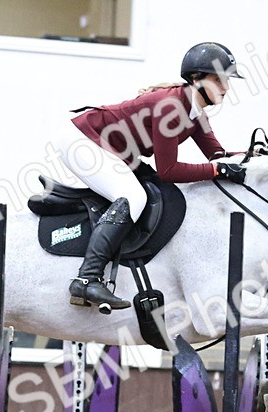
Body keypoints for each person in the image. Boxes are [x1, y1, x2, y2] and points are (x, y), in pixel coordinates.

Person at [53, 42, 249, 312]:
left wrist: (254, 155)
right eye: (218, 80)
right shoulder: (171, 107)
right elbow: (169, 171)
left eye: (226, 80)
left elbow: (217, 156)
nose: (226, 88)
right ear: (196, 79)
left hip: (111, 148)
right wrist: (219, 171)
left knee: (145, 191)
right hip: (82, 140)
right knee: (133, 197)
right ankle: (87, 278)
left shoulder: (195, 114)